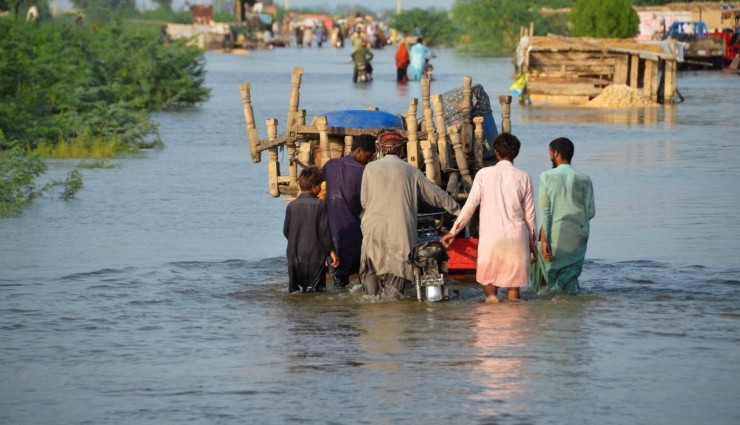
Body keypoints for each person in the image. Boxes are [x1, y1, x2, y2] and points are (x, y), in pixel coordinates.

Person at [359, 131, 460, 299]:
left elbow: (364, 201)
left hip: (372, 227)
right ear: (401, 150)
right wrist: (459, 211)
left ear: (381, 149)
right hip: (401, 229)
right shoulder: (411, 170)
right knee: (397, 272)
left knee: (371, 267)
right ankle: (393, 306)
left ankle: (371, 301)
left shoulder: (369, 168)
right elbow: (437, 195)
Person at [441, 133, 537, 302]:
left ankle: (491, 303)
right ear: (516, 153)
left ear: (496, 152)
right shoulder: (524, 177)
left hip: (491, 237)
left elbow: (470, 206)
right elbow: (530, 216)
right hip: (516, 236)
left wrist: (454, 231)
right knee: (513, 290)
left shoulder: (484, 174)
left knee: (488, 281)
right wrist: (533, 243)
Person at [531, 137, 595, 294]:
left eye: (550, 153)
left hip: (556, 233)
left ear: (556, 153)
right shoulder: (585, 178)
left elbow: (545, 211)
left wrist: (544, 239)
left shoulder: (546, 176)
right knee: (571, 276)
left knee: (551, 277)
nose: (550, 156)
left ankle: (554, 310)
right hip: (580, 233)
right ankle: (574, 311)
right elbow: (591, 212)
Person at [322, 135, 376, 287]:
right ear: (359, 151)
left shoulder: (329, 165)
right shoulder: (363, 172)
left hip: (332, 231)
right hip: (354, 230)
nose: (369, 160)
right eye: (368, 155)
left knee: (338, 278)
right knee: (362, 274)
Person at [283, 167, 339, 293]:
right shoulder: (320, 205)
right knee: (316, 290)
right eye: (320, 185)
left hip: (294, 254)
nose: (320, 189)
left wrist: (296, 242)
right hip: (315, 255)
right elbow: (324, 231)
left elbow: (286, 231)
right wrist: (332, 251)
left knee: (295, 290)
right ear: (314, 186)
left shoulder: (291, 206)